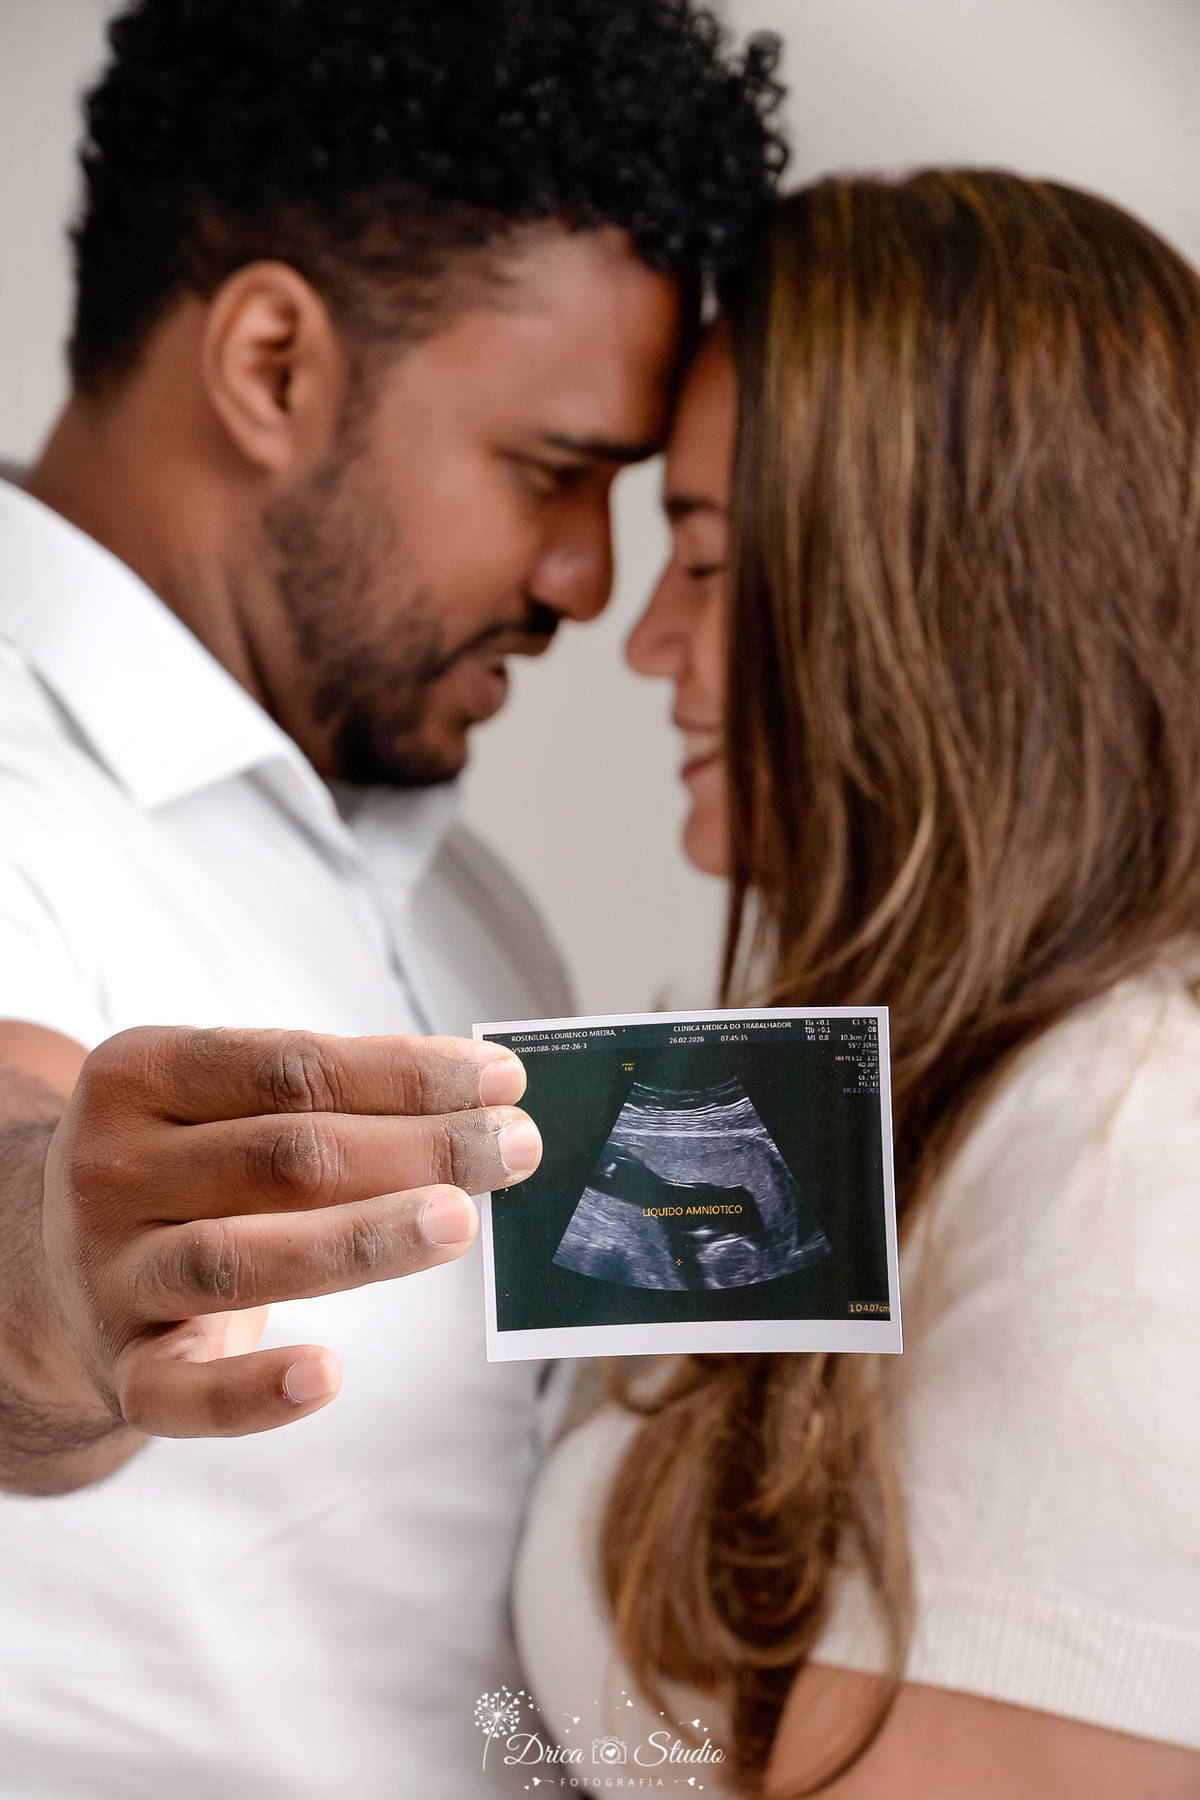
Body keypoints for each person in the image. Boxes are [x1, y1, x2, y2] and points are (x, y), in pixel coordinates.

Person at [0, 2, 785, 1794]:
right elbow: (25, 1180)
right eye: (552, 473)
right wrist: (59, 1268)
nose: (590, 580)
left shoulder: (462, 902)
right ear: (273, 363)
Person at [514, 172, 1200, 1798]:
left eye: (710, 561)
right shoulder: (842, 1073)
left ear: (941, 600)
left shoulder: (1128, 1179)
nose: (645, 646)